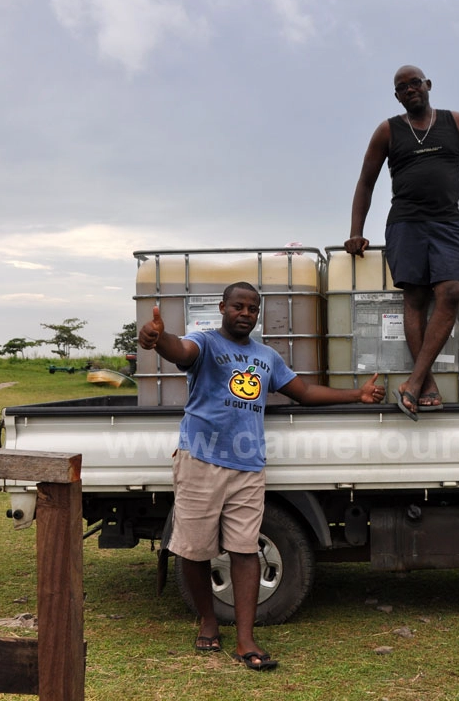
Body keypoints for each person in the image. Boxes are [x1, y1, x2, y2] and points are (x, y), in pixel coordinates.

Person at [138, 281, 384, 669]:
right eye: (238, 306)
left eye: (253, 308)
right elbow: (179, 351)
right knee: (194, 549)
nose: (246, 314)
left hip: (249, 466)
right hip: (201, 459)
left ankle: (245, 639)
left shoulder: (266, 356)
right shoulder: (205, 344)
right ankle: (207, 620)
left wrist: (357, 395)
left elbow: (302, 391)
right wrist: (158, 338)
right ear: (222, 307)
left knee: (245, 549)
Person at [345, 64, 459, 421]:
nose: (410, 90)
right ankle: (425, 384)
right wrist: (355, 230)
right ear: (397, 96)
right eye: (402, 87)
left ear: (428, 85)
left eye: (415, 83)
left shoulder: (456, 123)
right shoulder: (387, 131)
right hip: (405, 224)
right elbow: (365, 182)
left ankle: (413, 382)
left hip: (449, 222)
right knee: (415, 297)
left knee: (449, 291)